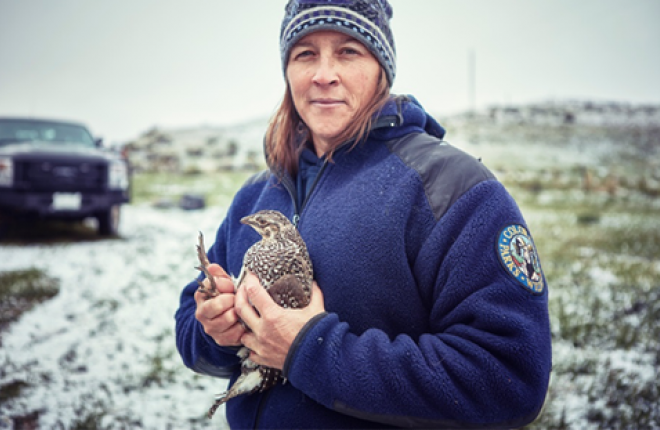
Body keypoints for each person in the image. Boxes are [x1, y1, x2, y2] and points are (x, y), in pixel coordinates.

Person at [175, 1, 552, 429]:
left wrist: (310, 349)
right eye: (305, 54)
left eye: (348, 51)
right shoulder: (256, 195)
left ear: (381, 70)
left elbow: (510, 380)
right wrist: (216, 331)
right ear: (287, 72)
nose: (323, 74)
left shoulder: (449, 188)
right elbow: (189, 329)